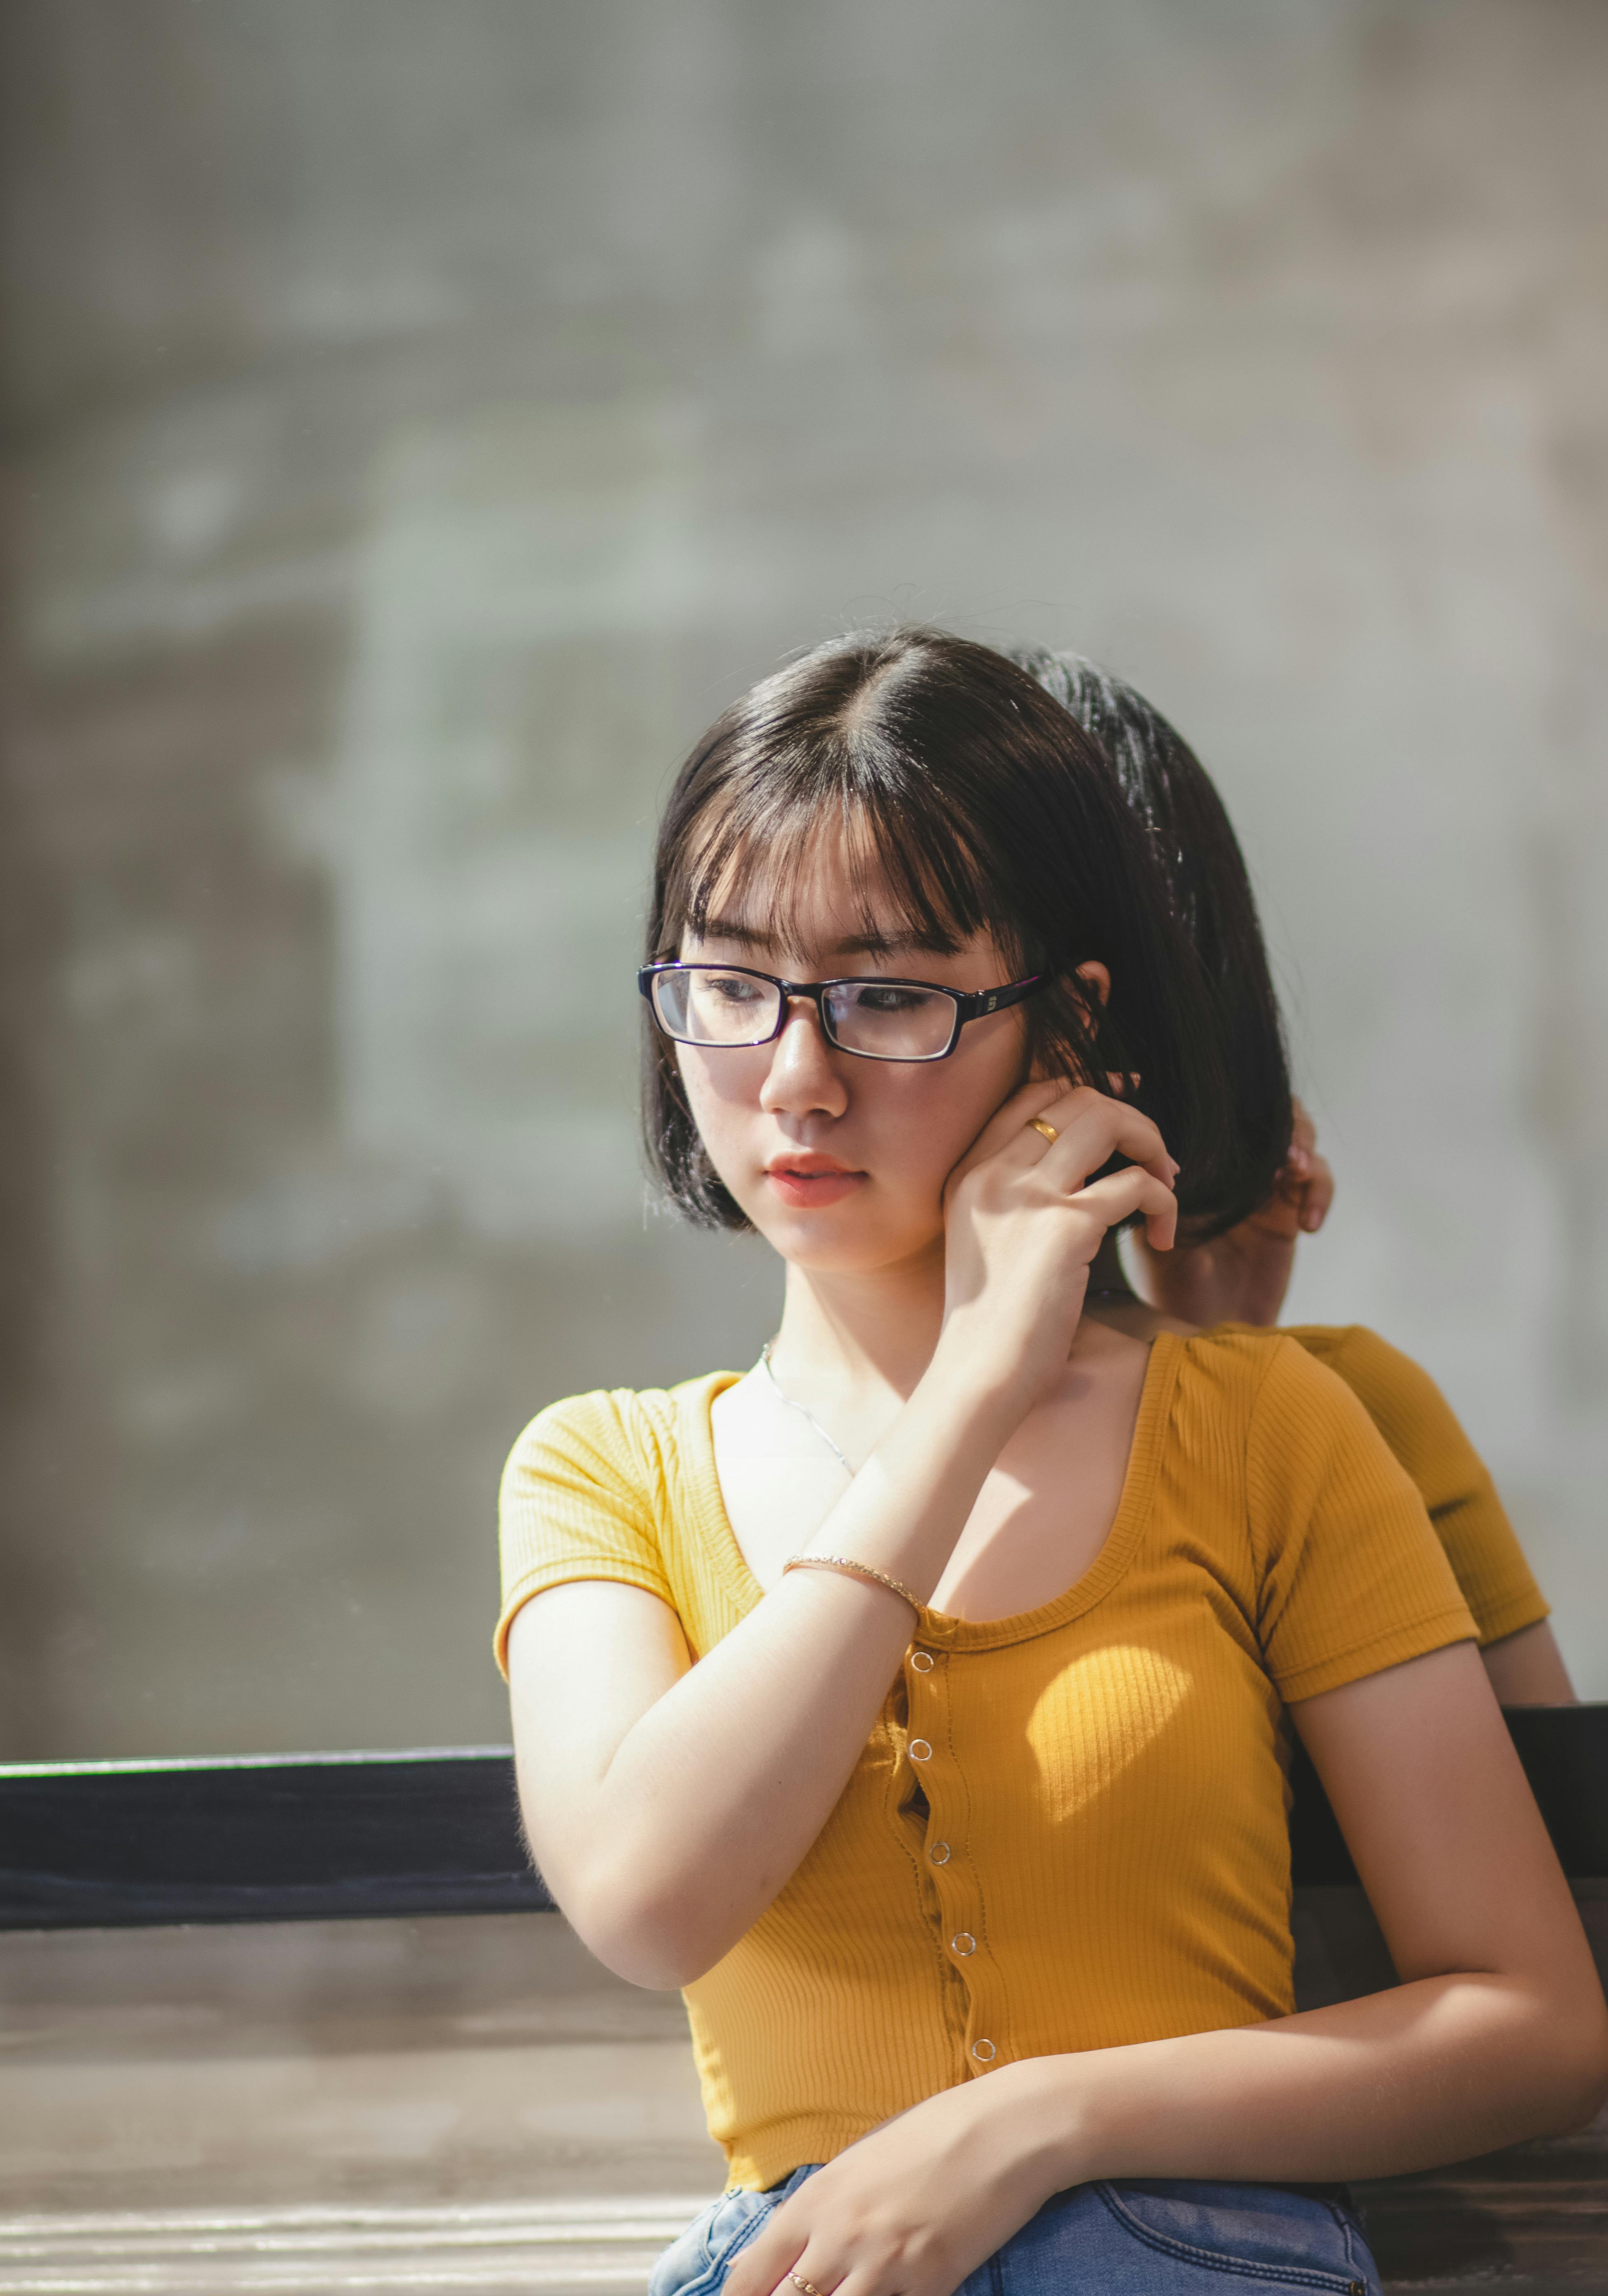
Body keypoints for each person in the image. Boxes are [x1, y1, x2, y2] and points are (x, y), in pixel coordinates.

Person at [498, 628, 1607, 2296]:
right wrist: (970, 1389)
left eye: (888, 997)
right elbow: (649, 1904)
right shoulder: (599, 1468)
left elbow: (1532, 2024)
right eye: (728, 985)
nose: (794, 1079)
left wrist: (1039, 2120)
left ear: (1066, 1028)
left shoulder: (1267, 1423)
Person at [1011, 648, 1574, 1708]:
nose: (805, 1070)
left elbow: (1550, 1799)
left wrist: (1226, 1362)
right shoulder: (696, 1454)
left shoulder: (1342, 1408)